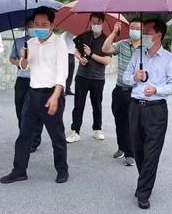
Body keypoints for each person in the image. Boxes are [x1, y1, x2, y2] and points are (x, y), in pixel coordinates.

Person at [0, 6, 69, 185]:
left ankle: (62, 169)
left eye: (43, 24)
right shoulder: (30, 43)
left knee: (57, 136)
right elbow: (25, 67)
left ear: (52, 25)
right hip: (32, 94)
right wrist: (23, 58)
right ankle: (19, 170)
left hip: (51, 94)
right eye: (36, 24)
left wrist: (55, 96)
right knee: (24, 134)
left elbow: (62, 73)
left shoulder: (59, 44)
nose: (39, 27)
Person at [123, 19, 172, 209]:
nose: (144, 35)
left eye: (148, 32)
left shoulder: (169, 59)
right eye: (144, 31)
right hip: (135, 107)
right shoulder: (137, 54)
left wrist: (156, 89)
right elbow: (125, 77)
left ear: (159, 35)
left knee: (151, 153)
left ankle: (144, 192)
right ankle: (144, 181)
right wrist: (134, 77)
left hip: (156, 109)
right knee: (137, 149)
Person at [66, 13, 111, 143]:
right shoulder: (84, 36)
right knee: (78, 105)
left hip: (98, 78)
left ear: (102, 23)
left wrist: (91, 55)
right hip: (82, 76)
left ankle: (97, 129)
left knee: (97, 105)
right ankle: (75, 131)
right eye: (93, 22)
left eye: (98, 22)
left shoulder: (106, 40)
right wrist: (81, 58)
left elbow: (107, 60)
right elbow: (76, 50)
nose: (95, 25)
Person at [102, 19, 142, 166]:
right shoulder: (123, 44)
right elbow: (106, 49)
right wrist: (113, 32)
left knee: (132, 124)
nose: (134, 30)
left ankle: (131, 153)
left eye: (138, 28)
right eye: (132, 27)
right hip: (119, 90)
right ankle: (122, 148)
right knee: (119, 121)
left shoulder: (146, 48)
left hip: (135, 92)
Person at [9, 17, 43, 152]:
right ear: (26, 27)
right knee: (20, 108)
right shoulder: (18, 42)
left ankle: (35, 140)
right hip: (22, 80)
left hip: (38, 80)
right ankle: (23, 134)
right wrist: (20, 63)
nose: (33, 29)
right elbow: (12, 57)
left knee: (37, 111)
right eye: (30, 26)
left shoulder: (42, 42)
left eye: (35, 26)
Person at [61, 31, 76, 95]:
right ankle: (62, 90)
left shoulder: (74, 35)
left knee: (71, 73)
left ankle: (68, 89)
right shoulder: (64, 35)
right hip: (66, 54)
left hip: (72, 54)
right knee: (65, 73)